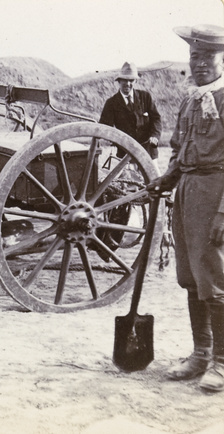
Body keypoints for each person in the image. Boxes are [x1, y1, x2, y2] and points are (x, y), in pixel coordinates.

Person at [150, 24, 224, 393]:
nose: (199, 64)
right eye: (194, 57)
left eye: (206, 57)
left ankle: (222, 363)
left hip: (215, 192)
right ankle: (200, 353)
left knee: (214, 277)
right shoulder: (190, 99)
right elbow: (179, 149)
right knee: (191, 276)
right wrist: (166, 179)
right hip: (186, 193)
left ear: (221, 59)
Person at [99, 61, 162, 171]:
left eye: (131, 80)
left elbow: (156, 119)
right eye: (125, 80)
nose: (128, 84)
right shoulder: (111, 103)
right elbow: (105, 128)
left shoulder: (145, 97)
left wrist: (155, 136)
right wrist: (118, 141)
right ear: (119, 81)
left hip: (148, 154)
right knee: (130, 186)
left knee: (154, 184)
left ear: (135, 81)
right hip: (125, 156)